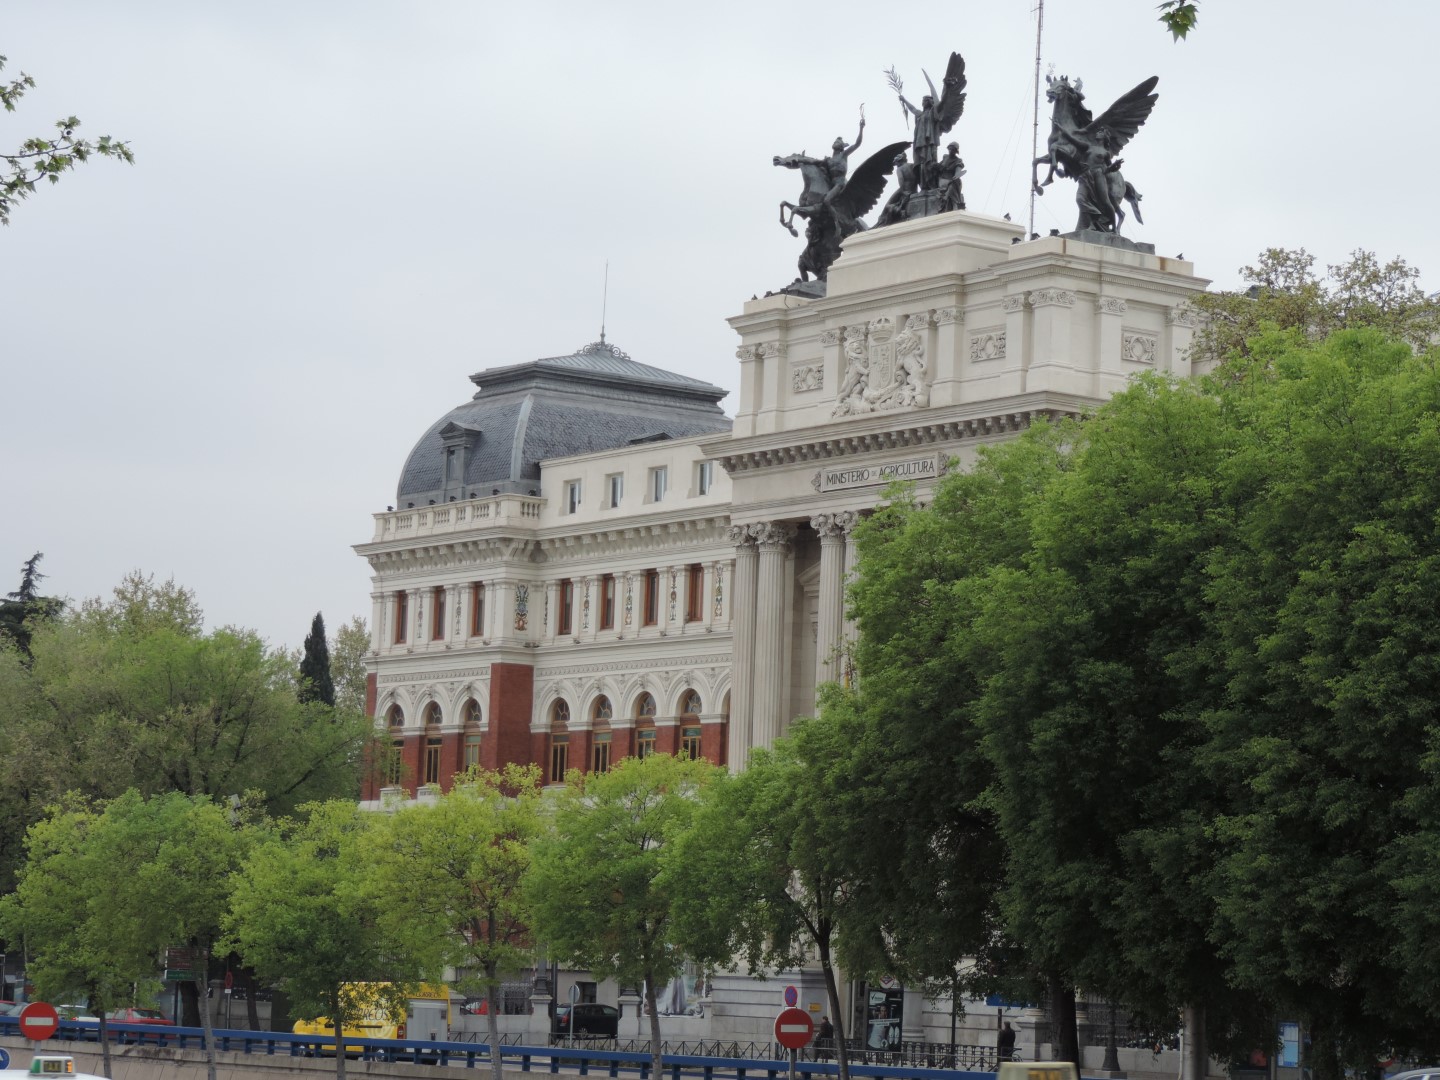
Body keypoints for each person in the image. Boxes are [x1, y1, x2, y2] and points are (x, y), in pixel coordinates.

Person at [937, 142, 966, 212]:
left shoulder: (958, 161)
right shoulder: (945, 157)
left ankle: (956, 204)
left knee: (954, 185)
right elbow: (939, 166)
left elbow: (958, 171)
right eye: (950, 149)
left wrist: (956, 176)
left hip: (951, 179)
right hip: (942, 180)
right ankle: (945, 205)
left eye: (953, 149)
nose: (951, 151)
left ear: (956, 151)